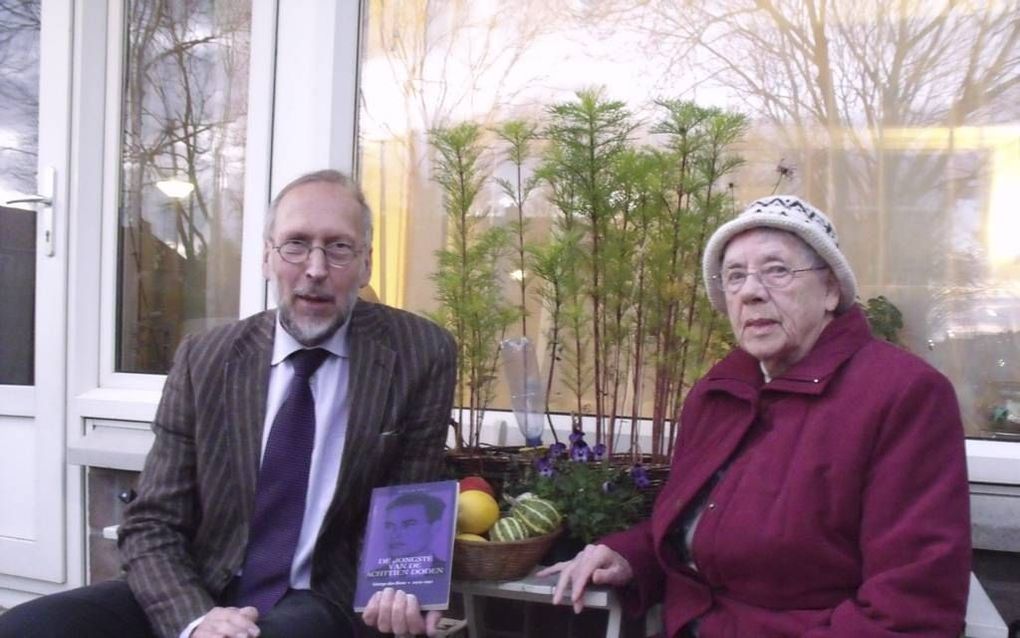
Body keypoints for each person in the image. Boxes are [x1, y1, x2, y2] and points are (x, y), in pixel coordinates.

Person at [0, 170, 456, 638]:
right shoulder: (206, 358)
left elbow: (411, 499)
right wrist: (195, 619)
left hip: (319, 596)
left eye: (339, 247)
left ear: (366, 265)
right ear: (266, 257)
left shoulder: (419, 352)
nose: (315, 268)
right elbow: (153, 520)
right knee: (27, 626)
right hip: (202, 583)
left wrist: (406, 588)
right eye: (295, 244)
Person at [539, 195, 971, 637]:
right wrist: (632, 554)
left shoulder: (902, 395)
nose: (751, 291)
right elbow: (708, 525)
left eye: (777, 270)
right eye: (734, 276)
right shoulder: (720, 392)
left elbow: (911, 606)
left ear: (831, 290)